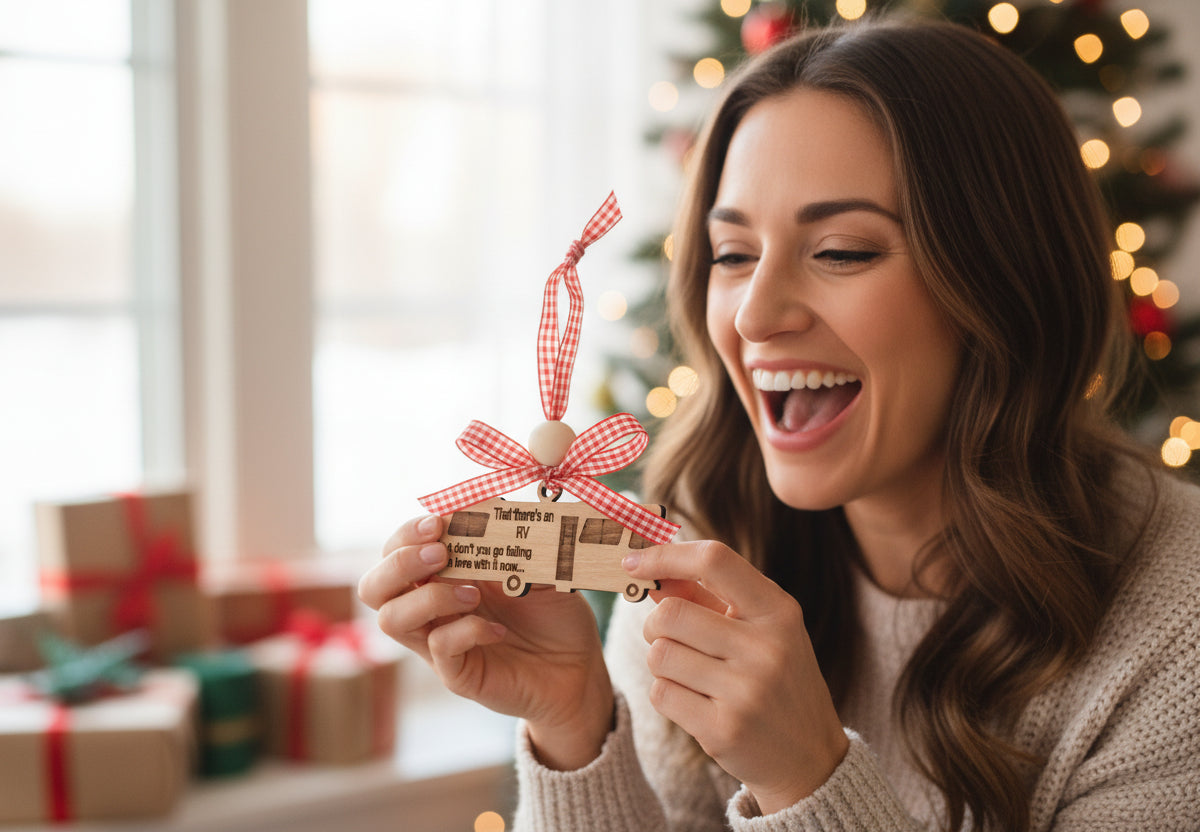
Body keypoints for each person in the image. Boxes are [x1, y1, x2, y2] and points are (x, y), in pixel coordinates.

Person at [358, 16, 1200, 832]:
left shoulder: (1178, 631)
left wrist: (809, 778)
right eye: (732, 255)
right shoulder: (699, 546)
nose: (756, 315)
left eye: (841, 251)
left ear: (1004, 284)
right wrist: (575, 728)